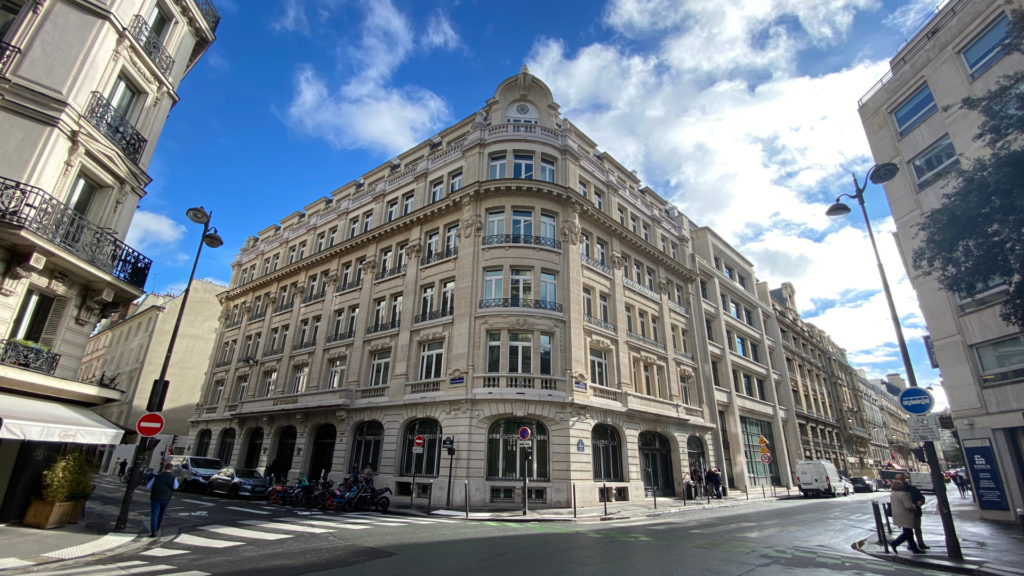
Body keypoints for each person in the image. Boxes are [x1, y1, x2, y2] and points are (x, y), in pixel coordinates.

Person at [889, 481, 925, 554]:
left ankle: (914, 548)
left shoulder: (893, 493)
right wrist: (915, 506)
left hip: (898, 514)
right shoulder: (902, 494)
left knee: (908, 532)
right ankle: (895, 543)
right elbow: (908, 505)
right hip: (905, 515)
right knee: (907, 533)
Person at [146, 463, 179, 538]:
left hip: (155, 497)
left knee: (154, 514)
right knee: (161, 514)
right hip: (166, 498)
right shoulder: (173, 478)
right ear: (171, 469)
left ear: (164, 468)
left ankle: (153, 531)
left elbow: (148, 486)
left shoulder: (157, 477)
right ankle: (157, 528)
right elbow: (175, 487)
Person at [897, 474, 929, 550]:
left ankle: (920, 543)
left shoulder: (912, 488)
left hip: (915, 512)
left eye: (900, 478)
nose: (899, 480)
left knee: (917, 528)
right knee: (908, 530)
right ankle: (910, 544)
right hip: (905, 514)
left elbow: (921, 496)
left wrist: (921, 501)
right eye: (897, 479)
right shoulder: (897, 492)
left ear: (903, 479)